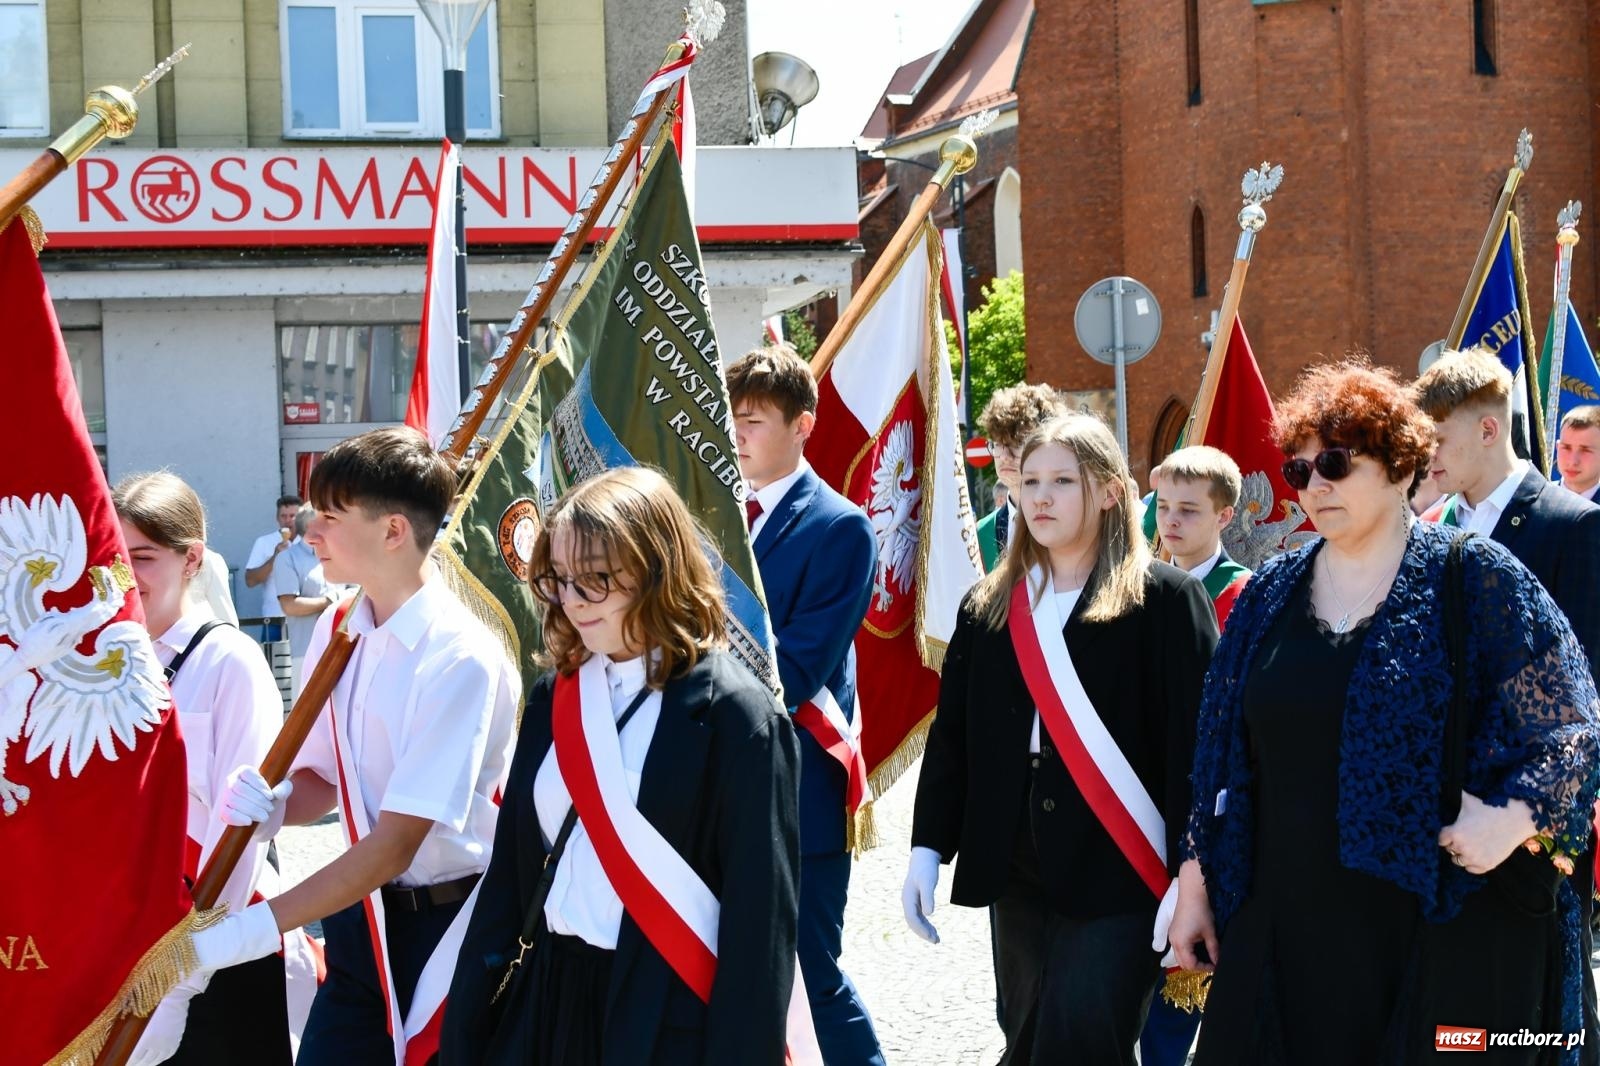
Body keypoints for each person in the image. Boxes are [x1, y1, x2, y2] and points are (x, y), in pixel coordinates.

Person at [1170, 360, 1600, 1065]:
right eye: (1298, 470)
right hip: (1284, 924)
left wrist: (1510, 819)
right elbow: (1219, 754)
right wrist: (1194, 881)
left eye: (1336, 463)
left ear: (1400, 467)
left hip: (1436, 926)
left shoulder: (1475, 576)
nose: (1315, 485)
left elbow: (1572, 728)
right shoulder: (1271, 591)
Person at [154, 427, 519, 1064]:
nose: (310, 533)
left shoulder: (460, 657)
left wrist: (252, 929)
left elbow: (398, 841)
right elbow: (326, 778)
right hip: (360, 919)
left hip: (447, 924)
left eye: (329, 516)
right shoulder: (340, 626)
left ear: (393, 530)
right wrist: (276, 806)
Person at [440, 466, 802, 1064]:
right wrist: (466, 1033)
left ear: (656, 569)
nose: (572, 601)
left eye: (595, 580)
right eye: (561, 579)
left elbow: (759, 933)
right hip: (545, 1000)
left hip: (663, 1015)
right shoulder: (554, 696)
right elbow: (509, 879)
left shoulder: (738, 718)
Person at [906, 413, 1218, 1066]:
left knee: (1083, 1040)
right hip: (1015, 861)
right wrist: (928, 846)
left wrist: (1193, 873)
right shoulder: (989, 605)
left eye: (1062, 481)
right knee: (1023, 1038)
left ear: (1108, 491)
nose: (1040, 498)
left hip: (1121, 863)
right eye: (1029, 482)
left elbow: (1200, 751)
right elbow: (954, 737)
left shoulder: (1167, 602)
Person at [1414, 348, 1600, 1057]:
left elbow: (1580, 693)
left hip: (1531, 824)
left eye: (1438, 438)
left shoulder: (1568, 524)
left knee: (1547, 1020)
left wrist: (1524, 811)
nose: (1426, 456)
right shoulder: (1431, 531)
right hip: (1448, 820)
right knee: (1462, 1030)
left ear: (1489, 430)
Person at [117, 473, 313, 1066]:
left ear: (192, 559)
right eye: (114, 556)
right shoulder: (104, 662)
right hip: (125, 944)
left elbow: (243, 837)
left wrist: (183, 973)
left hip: (217, 949)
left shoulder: (230, 662)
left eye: (143, 557)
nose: (125, 574)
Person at [726, 345, 885, 1065]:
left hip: (798, 788)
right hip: (725, 784)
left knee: (810, 972)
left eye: (755, 420)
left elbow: (797, 666)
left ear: (803, 426)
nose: (737, 434)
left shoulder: (839, 527)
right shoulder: (715, 518)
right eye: (731, 418)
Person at [1153, 445, 1251, 628]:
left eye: (1187, 510)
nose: (1170, 521)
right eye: (1163, 506)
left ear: (1223, 516)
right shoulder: (1142, 590)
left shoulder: (1246, 596)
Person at [976, 383, 1069, 572]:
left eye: (1017, 443)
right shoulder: (982, 532)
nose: (1004, 456)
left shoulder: (1072, 521)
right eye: (998, 444)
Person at [269, 502, 337, 696]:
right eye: (327, 521)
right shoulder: (287, 558)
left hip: (342, 650)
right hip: (306, 652)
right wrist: (329, 602)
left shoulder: (339, 554)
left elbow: (356, 591)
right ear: (310, 527)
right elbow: (290, 606)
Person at [243, 494, 301, 641]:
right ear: (277, 519)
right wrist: (275, 557)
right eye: (283, 516)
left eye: (292, 516)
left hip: (305, 618)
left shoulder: (310, 542)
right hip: (275, 619)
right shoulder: (264, 542)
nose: (288, 520)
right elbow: (250, 581)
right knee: (274, 657)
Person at [1557, 405, 1600, 502]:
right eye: (1566, 447)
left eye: (1585, 450)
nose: (1573, 461)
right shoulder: (1530, 502)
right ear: (1557, 448)